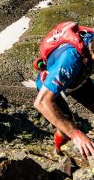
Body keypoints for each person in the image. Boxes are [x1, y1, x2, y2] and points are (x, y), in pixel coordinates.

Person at [33, 22, 94, 158]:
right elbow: (41, 102)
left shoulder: (91, 41)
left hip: (80, 76)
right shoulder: (70, 59)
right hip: (53, 85)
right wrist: (75, 134)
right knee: (66, 127)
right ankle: (58, 152)